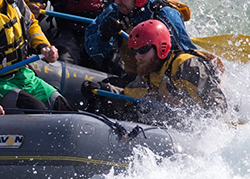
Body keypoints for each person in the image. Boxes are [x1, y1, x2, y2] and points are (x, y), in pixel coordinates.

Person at [83, 19, 226, 123]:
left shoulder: (185, 66)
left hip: (194, 129)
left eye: (143, 50)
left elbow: (217, 107)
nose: (137, 57)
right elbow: (129, 97)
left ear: (161, 48)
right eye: (135, 51)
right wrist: (104, 90)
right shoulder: (150, 72)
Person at [85, 0, 195, 79]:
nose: (117, 1)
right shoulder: (114, 11)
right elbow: (93, 53)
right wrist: (103, 37)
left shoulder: (165, 15)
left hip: (159, 80)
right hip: (131, 76)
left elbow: (187, 60)